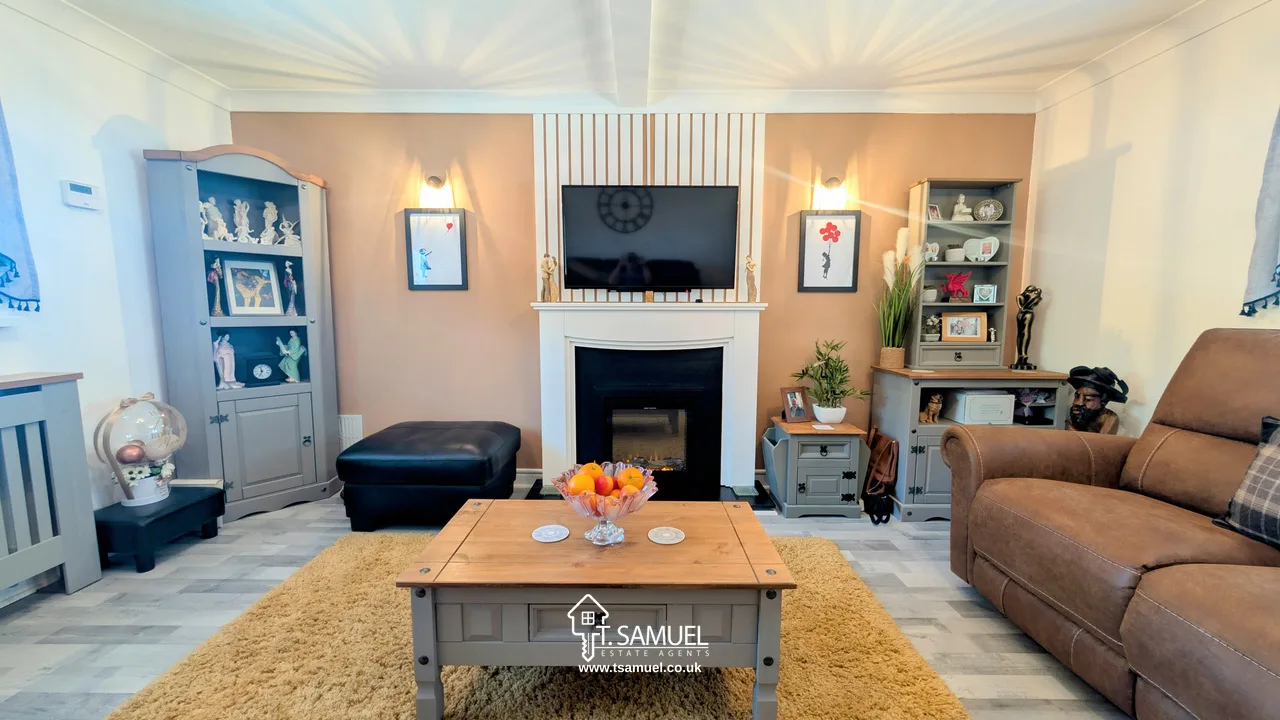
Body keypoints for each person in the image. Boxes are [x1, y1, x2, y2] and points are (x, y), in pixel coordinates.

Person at [1066, 366, 1128, 434]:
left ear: (1103, 401)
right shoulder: (1070, 420)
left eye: (1088, 399)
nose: (1078, 403)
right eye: (1077, 397)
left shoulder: (1109, 418)